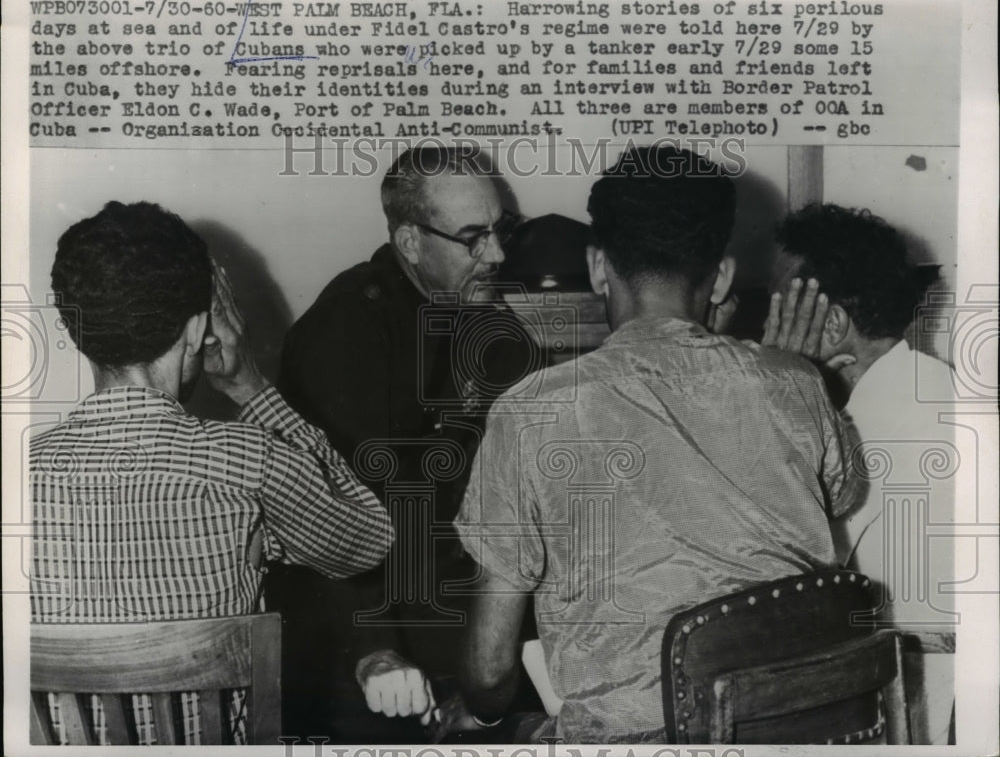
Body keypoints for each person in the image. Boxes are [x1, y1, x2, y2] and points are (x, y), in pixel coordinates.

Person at [447, 145, 864, 743]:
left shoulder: (529, 412)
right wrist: (780, 373)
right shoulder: (796, 384)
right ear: (719, 277)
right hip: (811, 730)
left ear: (597, 267)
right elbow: (844, 493)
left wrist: (488, 716)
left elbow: (489, 673)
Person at [30, 200, 393, 742]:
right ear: (199, 327)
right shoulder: (249, 462)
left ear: (77, 329)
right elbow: (368, 541)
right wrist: (249, 384)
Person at [275, 146, 543, 741]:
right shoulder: (342, 333)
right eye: (473, 238)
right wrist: (374, 652)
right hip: (361, 625)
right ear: (410, 243)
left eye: (501, 232)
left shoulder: (483, 314)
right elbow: (335, 520)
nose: (496, 255)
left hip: (464, 613)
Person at [762, 203, 956, 744]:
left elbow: (780, 575)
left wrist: (776, 385)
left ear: (830, 324)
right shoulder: (937, 387)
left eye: (777, 307)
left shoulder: (866, 432)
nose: (766, 331)